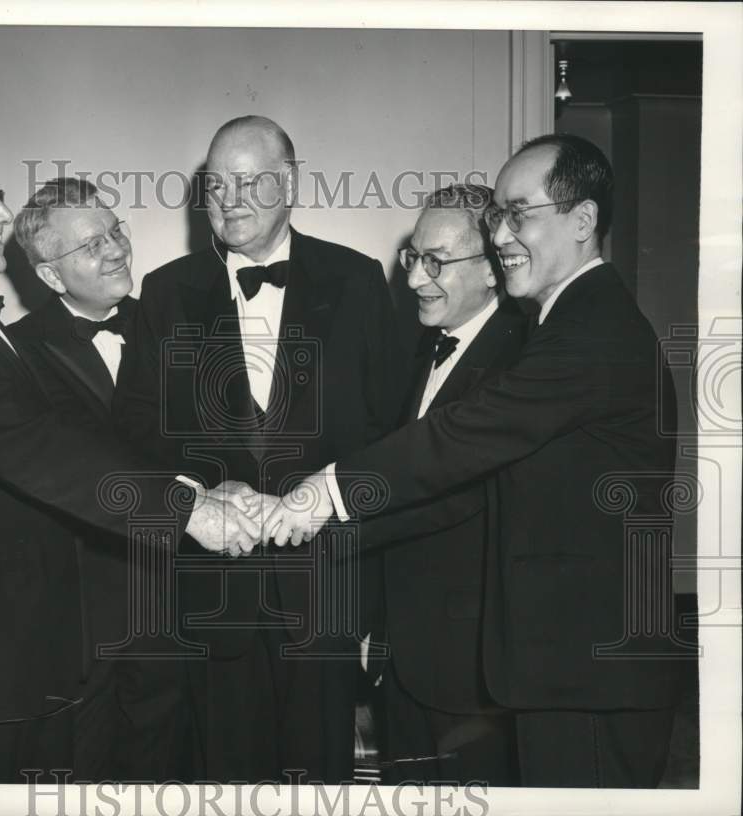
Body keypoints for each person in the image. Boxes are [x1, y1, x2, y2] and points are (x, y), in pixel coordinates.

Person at [266, 134, 681, 787]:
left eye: (519, 214)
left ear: (583, 220)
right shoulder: (572, 320)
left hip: (589, 670)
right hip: (564, 667)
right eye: (497, 219)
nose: (502, 235)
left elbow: (462, 436)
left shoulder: (591, 328)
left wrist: (325, 492)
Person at [0, 136, 257, 783]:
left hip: (11, 656)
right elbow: (39, 449)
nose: (1, 217)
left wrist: (198, 491)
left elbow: (62, 442)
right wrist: (186, 509)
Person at [113, 115, 402, 782]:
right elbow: (133, 428)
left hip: (327, 588)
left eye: (249, 181)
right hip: (214, 591)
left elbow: (388, 430)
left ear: (291, 183)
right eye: (216, 184)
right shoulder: (165, 291)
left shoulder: (358, 281)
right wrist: (199, 489)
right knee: (225, 777)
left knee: (319, 779)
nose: (230, 199)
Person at [8, 176, 192, 780]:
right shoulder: (13, 353)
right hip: (76, 616)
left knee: (165, 768)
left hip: (175, 598)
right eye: (93, 245)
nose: (116, 249)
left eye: (115, 231)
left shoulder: (173, 324)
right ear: (51, 276)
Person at [375, 184, 527, 786]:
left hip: (474, 671)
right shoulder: (419, 350)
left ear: (492, 269)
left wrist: (318, 509)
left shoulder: (522, 358)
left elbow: (455, 495)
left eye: (437, 261)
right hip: (406, 659)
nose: (415, 278)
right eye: (413, 257)